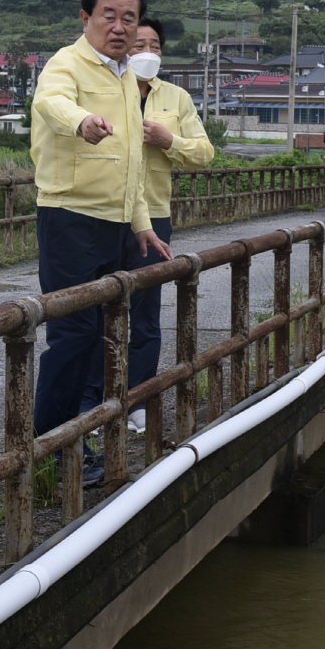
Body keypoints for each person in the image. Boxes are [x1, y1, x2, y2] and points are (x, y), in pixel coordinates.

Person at [29, 0, 172, 486]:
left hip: (116, 223)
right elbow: (51, 103)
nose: (119, 26)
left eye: (128, 18)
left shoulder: (126, 77)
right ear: (86, 17)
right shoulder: (67, 64)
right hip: (70, 218)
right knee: (72, 333)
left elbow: (133, 163)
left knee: (103, 335)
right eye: (108, 16)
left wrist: (141, 225)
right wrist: (81, 122)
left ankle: (80, 435)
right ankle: (50, 448)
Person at [127, 19, 213, 394]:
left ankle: (139, 399)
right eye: (138, 44)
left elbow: (204, 153)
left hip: (156, 215)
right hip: (111, 213)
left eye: (155, 45)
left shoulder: (177, 97)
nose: (148, 52)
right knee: (97, 309)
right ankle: (92, 404)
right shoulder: (103, 92)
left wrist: (169, 139)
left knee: (146, 312)